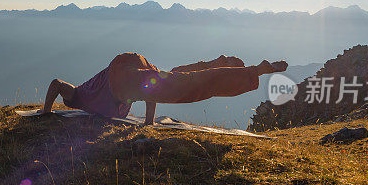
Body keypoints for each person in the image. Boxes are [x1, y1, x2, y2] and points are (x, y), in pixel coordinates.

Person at [39, 53, 288, 124]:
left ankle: (255, 70)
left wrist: (45, 112)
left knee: (181, 85)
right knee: (177, 76)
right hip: (128, 65)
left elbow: (57, 83)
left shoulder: (79, 97)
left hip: (121, 76)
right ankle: (217, 63)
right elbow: (149, 86)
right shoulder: (92, 98)